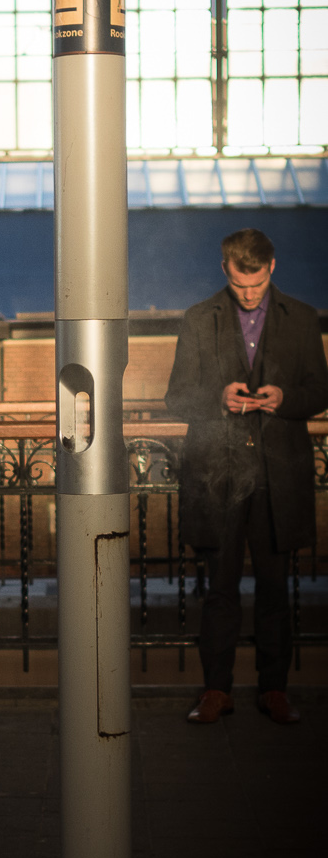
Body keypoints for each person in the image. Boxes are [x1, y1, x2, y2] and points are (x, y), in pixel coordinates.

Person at [165, 226, 328, 726]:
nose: (249, 294)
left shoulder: (301, 318)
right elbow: (176, 397)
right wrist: (218, 397)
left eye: (256, 284)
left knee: (278, 590)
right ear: (225, 270)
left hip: (278, 478)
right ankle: (217, 691)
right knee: (220, 591)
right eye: (240, 285)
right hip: (219, 475)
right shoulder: (197, 319)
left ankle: (274, 691)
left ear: (272, 267)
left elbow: (319, 391)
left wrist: (285, 400)